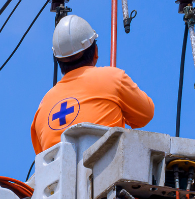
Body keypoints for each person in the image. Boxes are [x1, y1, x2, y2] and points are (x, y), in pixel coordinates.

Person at [30, 14, 155, 154]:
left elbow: (43, 158)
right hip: (104, 171)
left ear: (58, 61)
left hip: (59, 175)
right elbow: (145, 115)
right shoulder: (113, 78)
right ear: (95, 52)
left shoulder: (42, 108)